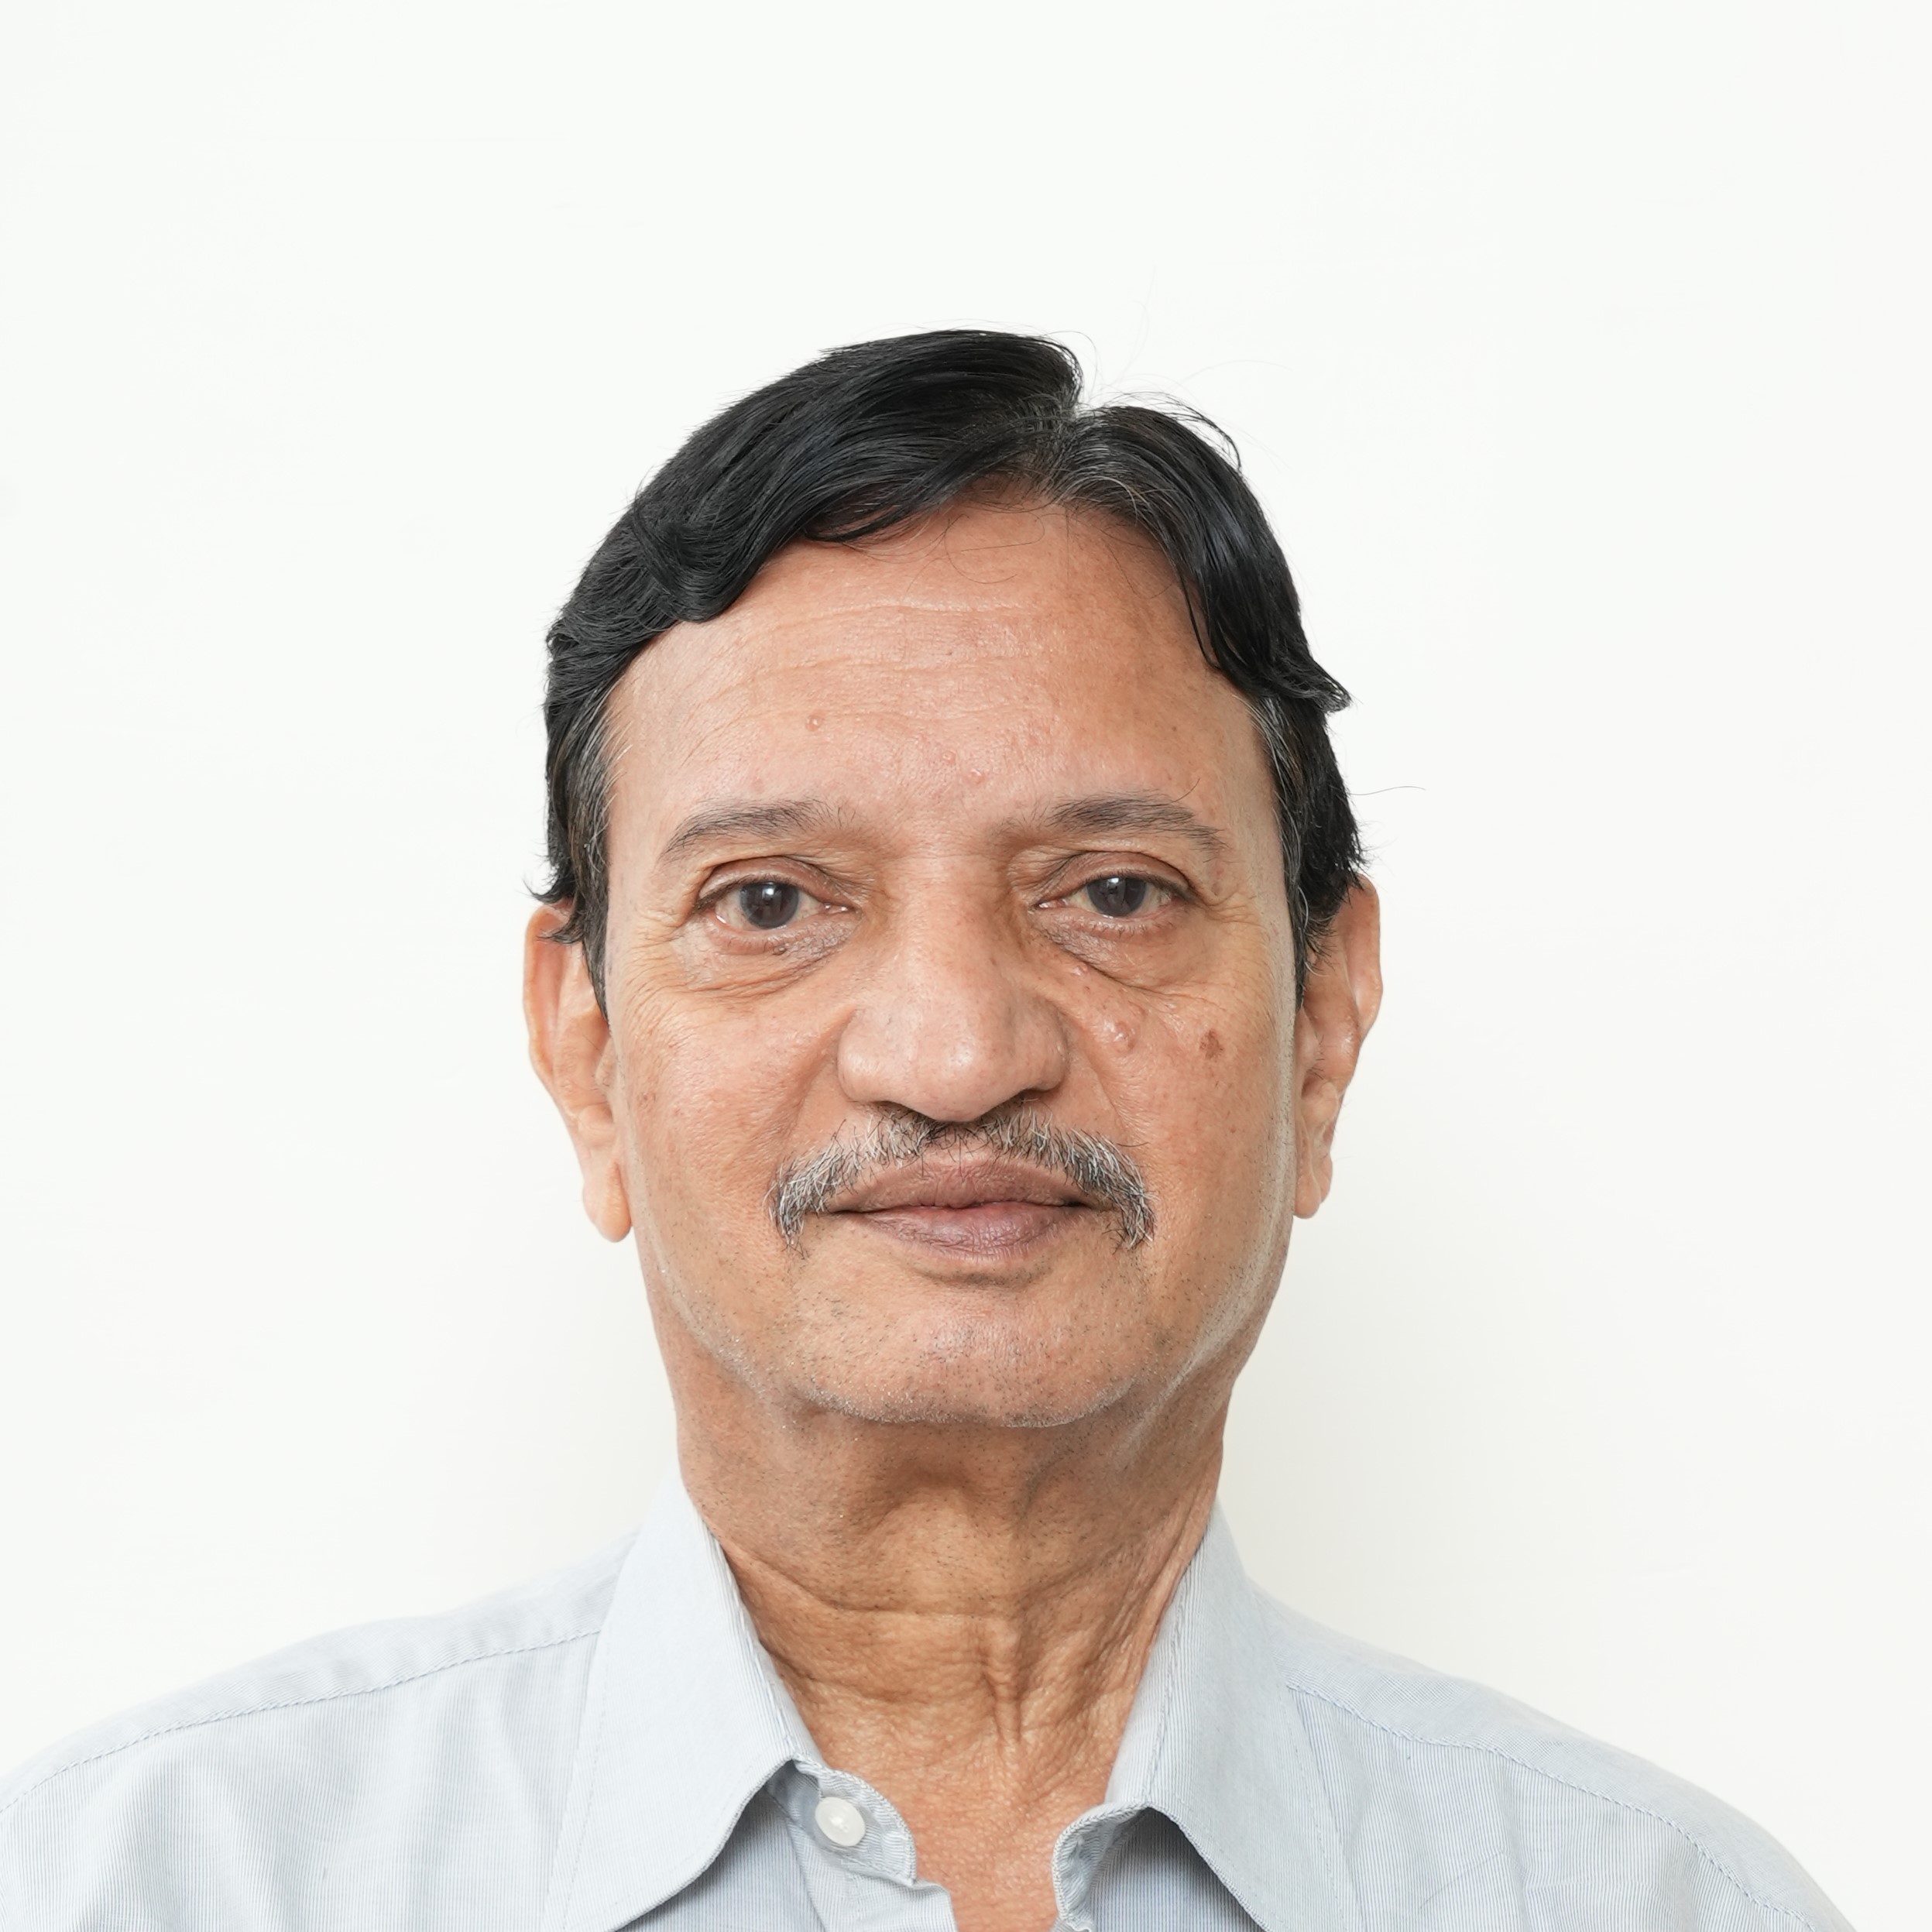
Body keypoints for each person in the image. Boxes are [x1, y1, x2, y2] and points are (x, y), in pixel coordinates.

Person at [0, 331, 1850, 1932]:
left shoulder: (1667, 1906)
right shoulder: (143, 1885)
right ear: (586, 1047)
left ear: (1323, 1026)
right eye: (772, 902)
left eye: (1113, 892)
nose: (957, 1056)